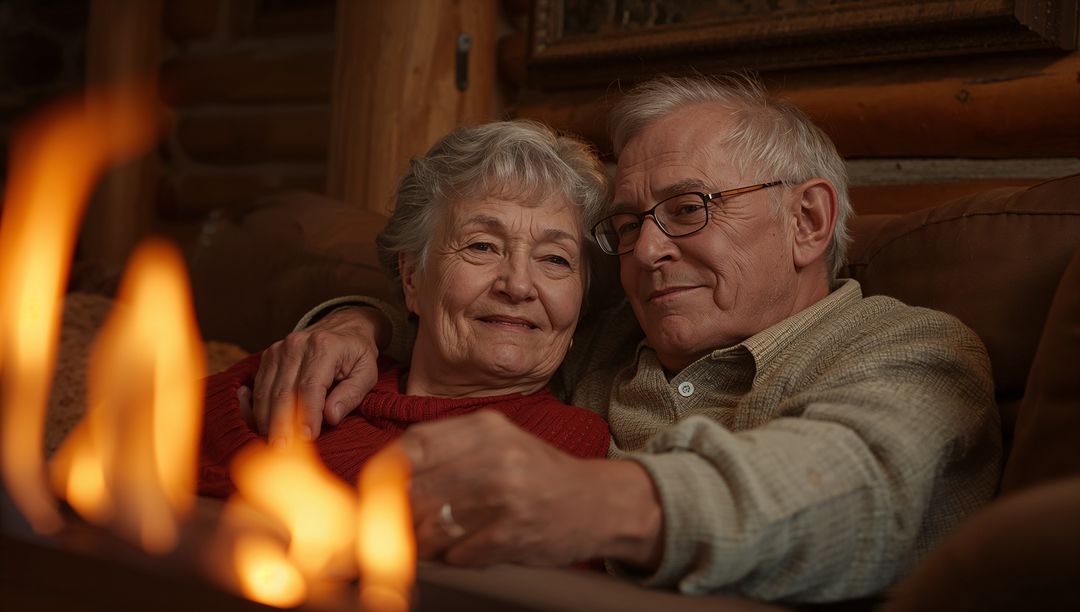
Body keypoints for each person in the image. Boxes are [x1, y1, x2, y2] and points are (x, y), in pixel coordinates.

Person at [249, 74, 1002, 602]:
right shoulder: (610, 335)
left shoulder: (911, 352)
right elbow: (476, 306)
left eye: (687, 208)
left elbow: (852, 489)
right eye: (629, 223)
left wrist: (596, 501)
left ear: (807, 222)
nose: (644, 252)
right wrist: (357, 320)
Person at [197, 120, 611, 497]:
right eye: (482, 246)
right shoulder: (322, 367)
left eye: (555, 259)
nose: (519, 285)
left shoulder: (567, 440)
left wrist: (256, 455)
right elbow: (162, 429)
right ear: (413, 278)